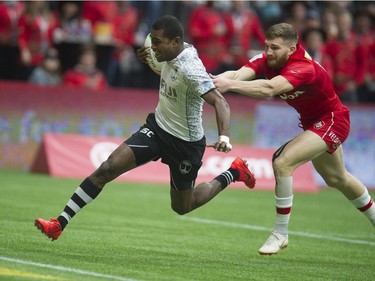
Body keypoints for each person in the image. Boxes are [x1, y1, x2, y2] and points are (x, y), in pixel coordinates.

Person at [34, 15, 256, 241]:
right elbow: (169, 72)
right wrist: (151, 60)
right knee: (108, 167)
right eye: (153, 40)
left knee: (182, 206)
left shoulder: (192, 68)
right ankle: (59, 223)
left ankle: (234, 172)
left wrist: (225, 137)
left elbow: (220, 102)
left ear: (175, 42)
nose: (152, 46)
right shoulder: (171, 52)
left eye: (157, 42)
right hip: (157, 129)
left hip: (185, 144)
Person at [212, 23, 375, 255]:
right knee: (337, 178)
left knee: (282, 161)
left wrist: (230, 85)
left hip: (332, 120)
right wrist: (214, 81)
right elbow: (237, 74)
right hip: (315, 123)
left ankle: (280, 233)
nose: (269, 52)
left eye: (275, 48)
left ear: (292, 48)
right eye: (267, 46)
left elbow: (269, 88)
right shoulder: (268, 58)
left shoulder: (304, 67)